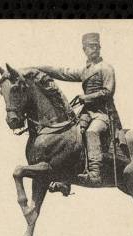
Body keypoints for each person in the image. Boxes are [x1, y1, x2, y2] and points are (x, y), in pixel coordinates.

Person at [37, 32, 122, 186]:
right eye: (91, 46)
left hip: (103, 114)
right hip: (86, 114)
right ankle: (66, 179)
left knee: (91, 132)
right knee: (71, 136)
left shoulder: (106, 68)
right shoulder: (85, 71)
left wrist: (86, 97)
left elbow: (108, 92)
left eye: (96, 46)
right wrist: (38, 69)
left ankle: (95, 174)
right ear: (84, 49)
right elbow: (63, 72)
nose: (94, 48)